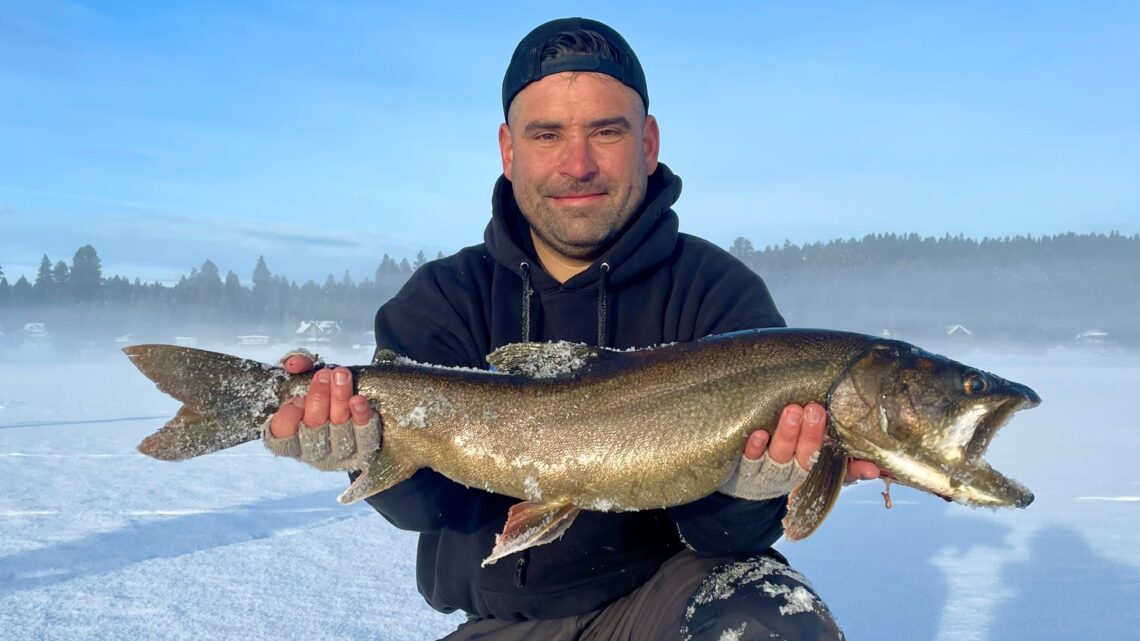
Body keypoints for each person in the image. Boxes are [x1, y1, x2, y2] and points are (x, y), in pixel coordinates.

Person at [265, 17, 880, 640]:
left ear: (648, 142)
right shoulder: (442, 299)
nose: (578, 164)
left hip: (667, 606)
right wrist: (362, 449)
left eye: (606, 131)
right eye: (548, 135)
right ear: (509, 150)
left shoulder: (717, 293)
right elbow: (429, 507)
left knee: (771, 622)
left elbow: (728, 540)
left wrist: (747, 495)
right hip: (501, 623)